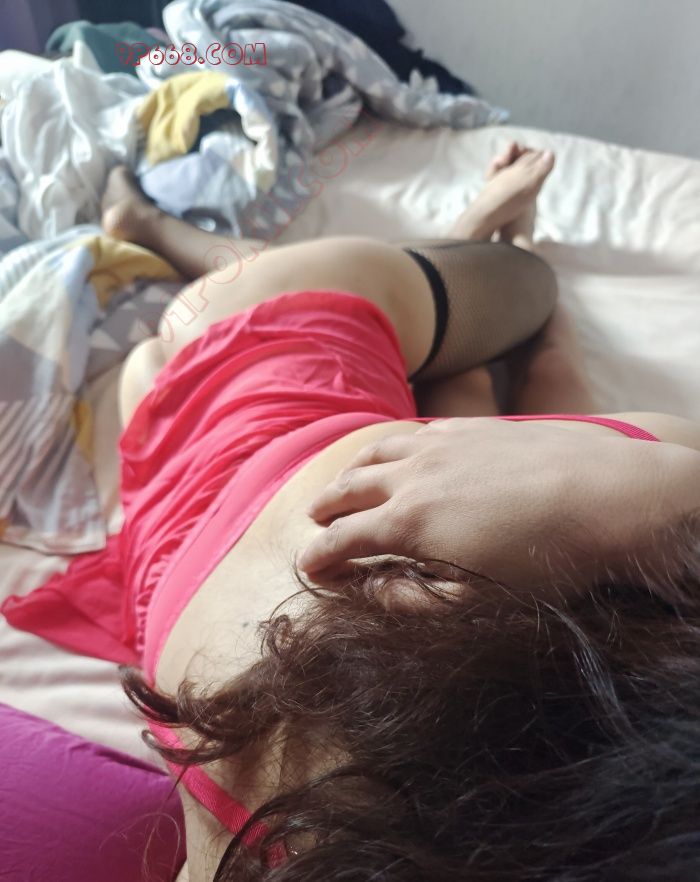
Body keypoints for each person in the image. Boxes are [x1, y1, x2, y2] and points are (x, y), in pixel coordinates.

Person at [6, 143, 700, 882]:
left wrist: (669, 490)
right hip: (171, 515)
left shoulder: (648, 500)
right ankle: (468, 263)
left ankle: (157, 224)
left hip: (244, 354)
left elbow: (574, 417)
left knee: (530, 288)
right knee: (478, 393)